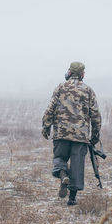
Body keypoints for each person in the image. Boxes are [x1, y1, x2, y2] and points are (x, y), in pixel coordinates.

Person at [42, 62, 102, 206]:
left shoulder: (60, 88)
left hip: (61, 134)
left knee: (59, 158)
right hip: (80, 136)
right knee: (77, 166)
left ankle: (63, 176)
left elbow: (50, 109)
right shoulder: (88, 91)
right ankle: (72, 199)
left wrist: (46, 127)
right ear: (82, 74)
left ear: (69, 72)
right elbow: (95, 115)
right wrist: (95, 135)